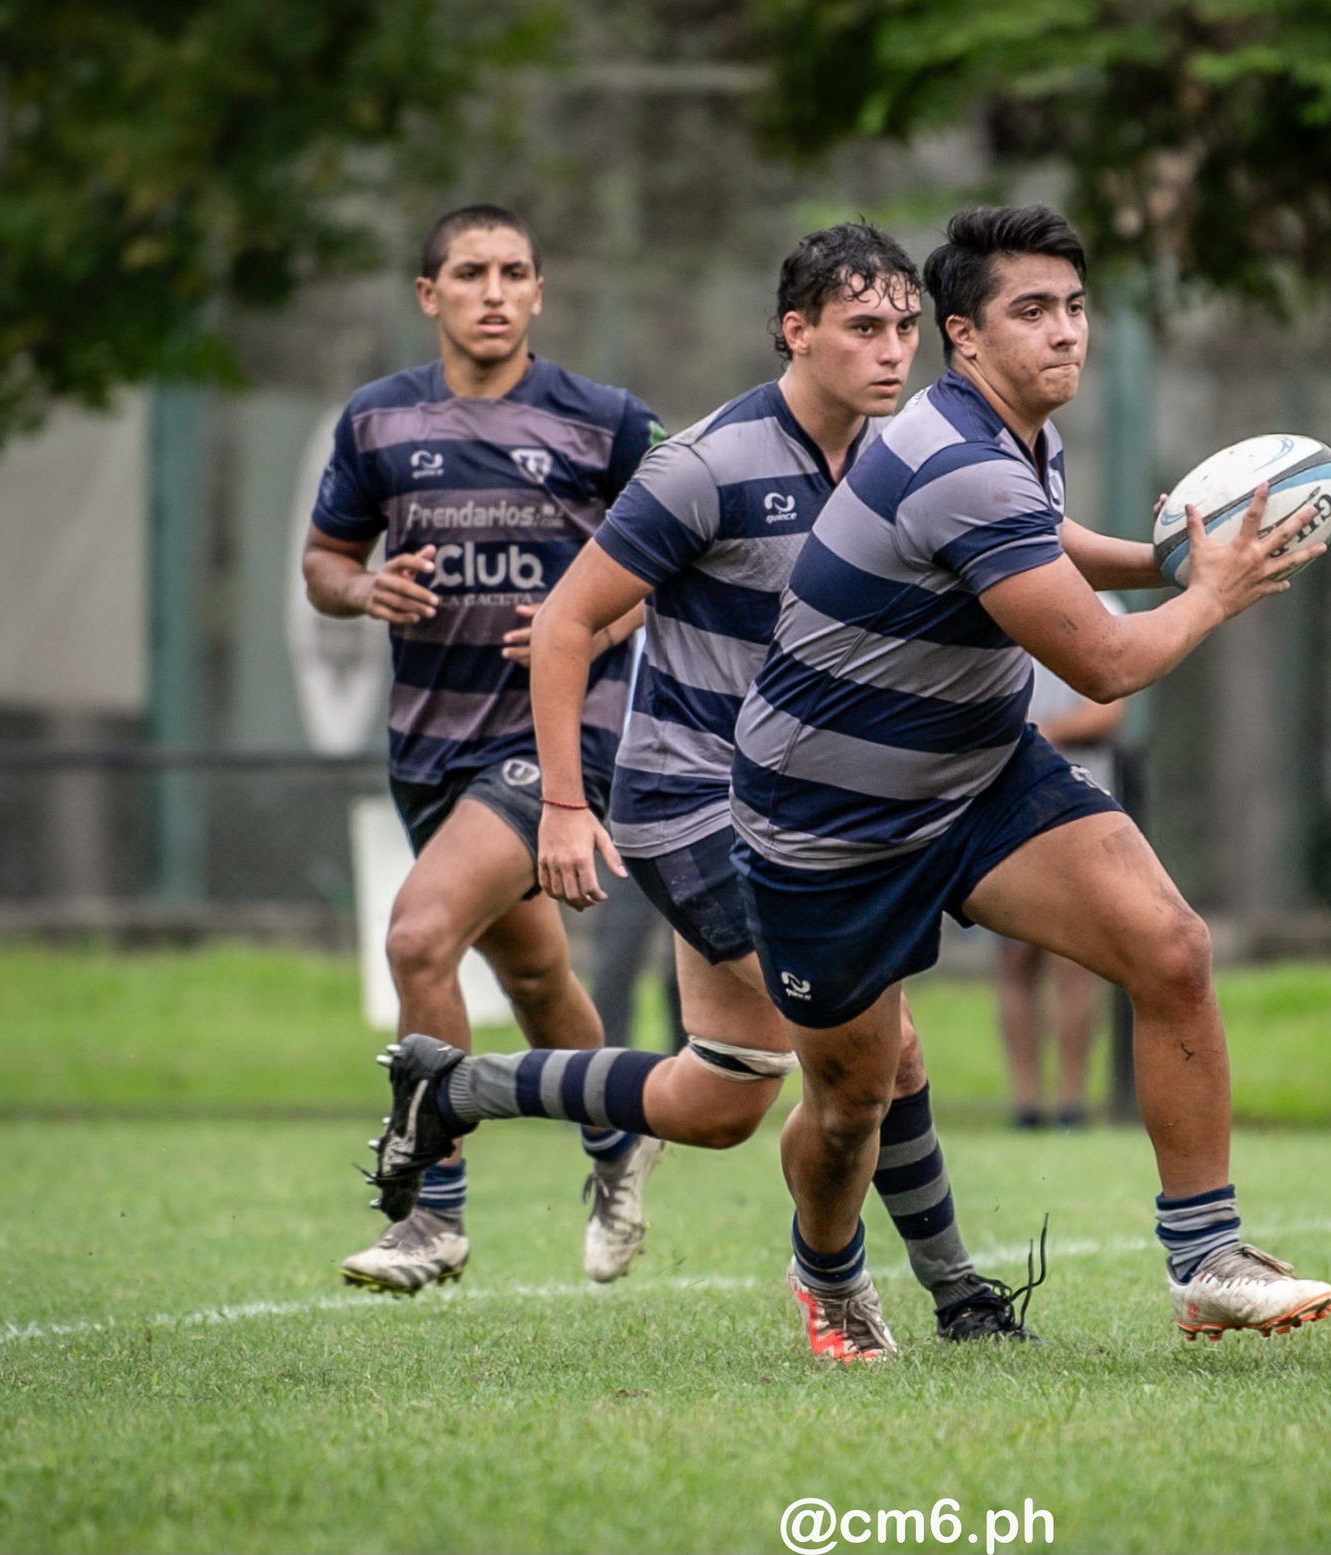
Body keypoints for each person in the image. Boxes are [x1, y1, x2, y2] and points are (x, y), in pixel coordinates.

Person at [366, 223, 1038, 1340]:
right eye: (863, 328)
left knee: (725, 1096)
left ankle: (458, 1086)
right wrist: (568, 811)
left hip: (814, 802)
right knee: (885, 1047)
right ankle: (952, 1291)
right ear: (796, 331)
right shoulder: (710, 460)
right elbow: (575, 616)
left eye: (904, 328)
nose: (891, 352)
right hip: (696, 803)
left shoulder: (905, 458)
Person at [725, 204, 1331, 1361]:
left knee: (1169, 947)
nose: (1065, 334)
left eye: (1074, 308)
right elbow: (1102, 661)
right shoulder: (955, 462)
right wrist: (1211, 590)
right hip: (829, 827)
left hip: (975, 770)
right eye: (1031, 312)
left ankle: (1205, 1258)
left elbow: (1047, 535)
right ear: (962, 335)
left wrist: (1171, 552)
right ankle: (828, 1271)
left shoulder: (1009, 438)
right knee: (852, 1102)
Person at [304, 204, 660, 1295]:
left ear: (539, 293)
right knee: (538, 970)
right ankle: (616, 1145)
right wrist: (365, 588)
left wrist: (584, 625)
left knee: (418, 936)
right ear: (430, 295)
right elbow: (324, 560)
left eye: (514, 271)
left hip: (551, 739)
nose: (493, 290)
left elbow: (669, 565)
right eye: (470, 273)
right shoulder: (376, 422)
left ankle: (432, 1217)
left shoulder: (604, 423)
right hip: (425, 741)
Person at [999, 594, 1128, 1129]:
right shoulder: (996, 595)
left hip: (1078, 801)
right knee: (1015, 961)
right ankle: (1027, 1103)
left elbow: (1108, 709)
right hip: (1001, 799)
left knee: (1075, 963)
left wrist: (1037, 735)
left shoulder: (1105, 608)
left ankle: (1072, 1102)